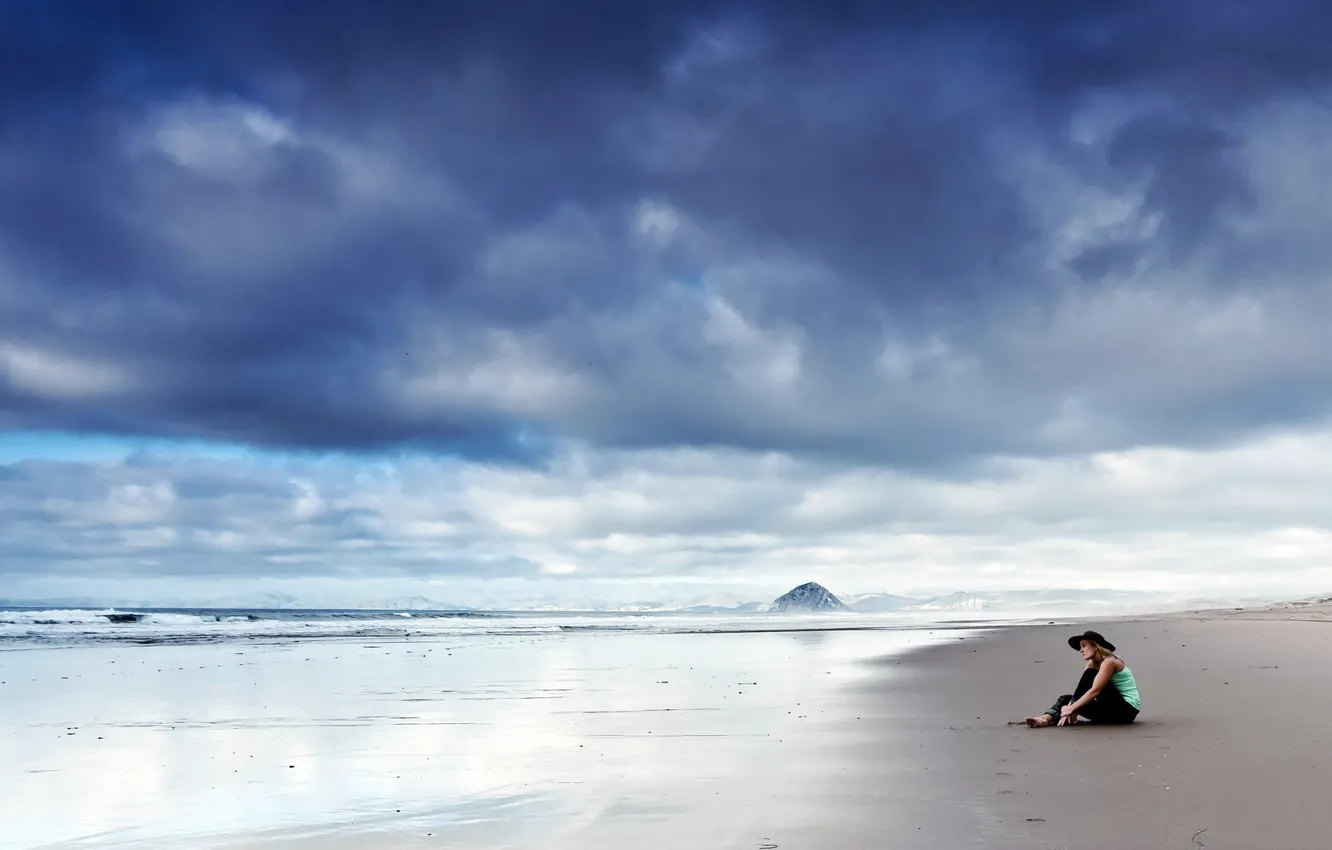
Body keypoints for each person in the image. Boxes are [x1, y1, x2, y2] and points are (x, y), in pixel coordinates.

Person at [1025, 630, 1141, 727]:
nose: (1080, 650)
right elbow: (1081, 690)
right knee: (1066, 699)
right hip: (1110, 712)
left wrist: (1071, 709)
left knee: (1090, 675)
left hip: (1126, 711)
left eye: (1084, 646)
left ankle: (1066, 714)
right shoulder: (1092, 665)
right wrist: (1070, 706)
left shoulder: (1109, 661)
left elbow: (1095, 690)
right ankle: (1044, 719)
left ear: (1095, 646)